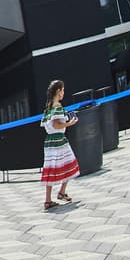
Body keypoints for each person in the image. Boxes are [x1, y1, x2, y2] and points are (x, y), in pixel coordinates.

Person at [40, 79, 80, 210]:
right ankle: (60, 192)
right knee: (68, 163)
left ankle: (49, 199)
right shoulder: (57, 106)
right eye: (62, 90)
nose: (63, 92)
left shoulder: (48, 107)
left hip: (50, 141)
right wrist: (70, 123)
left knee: (51, 168)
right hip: (59, 140)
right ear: (58, 91)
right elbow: (57, 125)